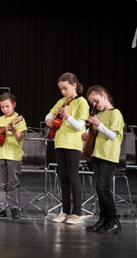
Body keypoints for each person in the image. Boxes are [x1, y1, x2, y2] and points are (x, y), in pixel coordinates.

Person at [45, 72, 89, 224]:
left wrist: (67, 116)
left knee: (73, 178)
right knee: (63, 178)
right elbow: (48, 116)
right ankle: (65, 211)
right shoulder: (61, 101)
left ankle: (77, 213)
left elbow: (80, 126)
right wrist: (49, 121)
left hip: (73, 144)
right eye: (61, 89)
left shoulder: (82, 102)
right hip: (60, 143)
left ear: (74, 86)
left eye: (65, 88)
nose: (63, 92)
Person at [83, 85, 123, 234]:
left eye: (96, 101)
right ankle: (103, 219)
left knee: (103, 188)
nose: (95, 105)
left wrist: (98, 124)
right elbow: (95, 131)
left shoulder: (115, 114)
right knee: (99, 189)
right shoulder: (99, 114)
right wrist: (86, 134)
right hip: (97, 154)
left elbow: (112, 135)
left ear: (104, 96)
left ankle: (114, 220)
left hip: (108, 155)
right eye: (92, 103)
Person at [0, 92, 27, 219]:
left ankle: (15, 208)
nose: (5, 109)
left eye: (7, 106)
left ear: (14, 105)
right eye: (2, 107)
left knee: (14, 183)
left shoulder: (19, 120)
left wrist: (13, 130)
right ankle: (1, 208)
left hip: (13, 156)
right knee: (0, 183)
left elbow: (20, 138)